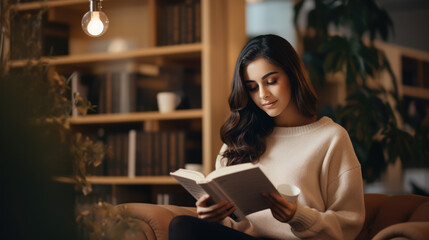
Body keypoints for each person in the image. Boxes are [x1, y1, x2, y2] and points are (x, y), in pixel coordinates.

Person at [169, 34, 365, 240]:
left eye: (271, 81)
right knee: (183, 226)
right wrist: (214, 217)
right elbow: (236, 224)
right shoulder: (240, 136)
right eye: (252, 87)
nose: (263, 94)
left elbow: (349, 224)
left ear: (293, 76)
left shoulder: (331, 138)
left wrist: (297, 216)